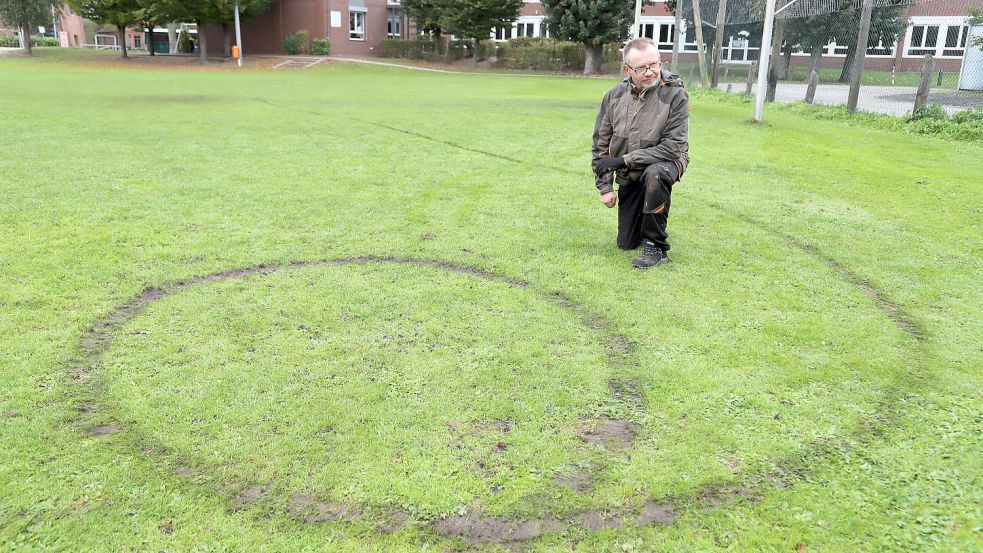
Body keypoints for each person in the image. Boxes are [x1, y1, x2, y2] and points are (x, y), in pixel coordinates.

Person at [592, 37, 690, 269]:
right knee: (625, 242)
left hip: (667, 162)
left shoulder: (675, 95)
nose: (650, 72)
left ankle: (656, 247)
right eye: (642, 68)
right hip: (630, 170)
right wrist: (605, 186)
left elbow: (673, 146)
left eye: (654, 64)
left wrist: (625, 160)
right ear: (627, 70)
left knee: (655, 174)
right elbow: (601, 143)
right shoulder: (614, 96)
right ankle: (643, 226)